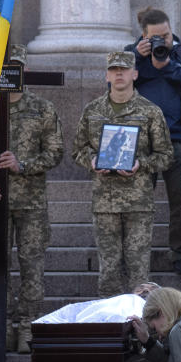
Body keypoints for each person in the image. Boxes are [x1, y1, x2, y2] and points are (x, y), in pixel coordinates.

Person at [0, 44, 64, 354]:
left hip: (30, 204)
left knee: (32, 268)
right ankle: (0, 328)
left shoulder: (42, 108)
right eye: (4, 67)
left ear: (24, 71)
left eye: (15, 67)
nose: (10, 72)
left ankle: (28, 326)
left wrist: (22, 165)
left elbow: (55, 153)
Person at [72, 52, 173, 298]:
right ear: (107, 75)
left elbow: (166, 155)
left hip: (138, 203)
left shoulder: (150, 112)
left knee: (139, 273)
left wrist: (142, 163)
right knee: (108, 272)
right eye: (114, 69)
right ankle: (111, 329)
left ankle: (139, 329)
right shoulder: (93, 110)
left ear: (135, 74)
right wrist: (92, 160)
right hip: (105, 202)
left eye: (124, 69)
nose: (119, 74)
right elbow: (77, 149)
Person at [124, 8, 181, 275]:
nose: (163, 42)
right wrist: (137, 56)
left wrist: (169, 66)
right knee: (136, 202)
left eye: (167, 35)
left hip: (178, 137)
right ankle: (133, 254)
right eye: (156, 37)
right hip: (140, 140)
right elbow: (116, 82)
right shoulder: (131, 53)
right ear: (144, 36)